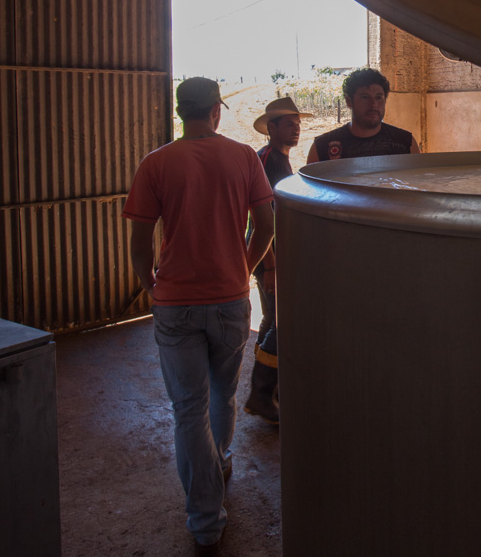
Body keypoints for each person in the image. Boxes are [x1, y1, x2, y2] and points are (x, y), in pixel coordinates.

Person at [123, 77, 274, 557]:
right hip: (230, 300)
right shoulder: (244, 157)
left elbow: (140, 240)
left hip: (176, 303)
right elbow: (266, 224)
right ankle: (222, 460)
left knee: (188, 409)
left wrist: (152, 285)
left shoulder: (156, 163)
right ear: (216, 111)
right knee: (222, 393)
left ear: (180, 111)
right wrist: (242, 269)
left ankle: (206, 523)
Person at [244, 96, 311, 425]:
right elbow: (264, 220)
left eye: (297, 124)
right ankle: (260, 393)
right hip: (269, 256)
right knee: (281, 323)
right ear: (271, 128)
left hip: (273, 255)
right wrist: (271, 264)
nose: (296, 129)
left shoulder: (280, 159)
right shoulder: (268, 160)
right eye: (288, 124)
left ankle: (268, 388)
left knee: (272, 320)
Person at [308, 67, 421, 163]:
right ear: (349, 101)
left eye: (378, 97)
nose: (374, 104)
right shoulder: (322, 147)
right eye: (365, 97)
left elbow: (416, 183)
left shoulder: (406, 143)